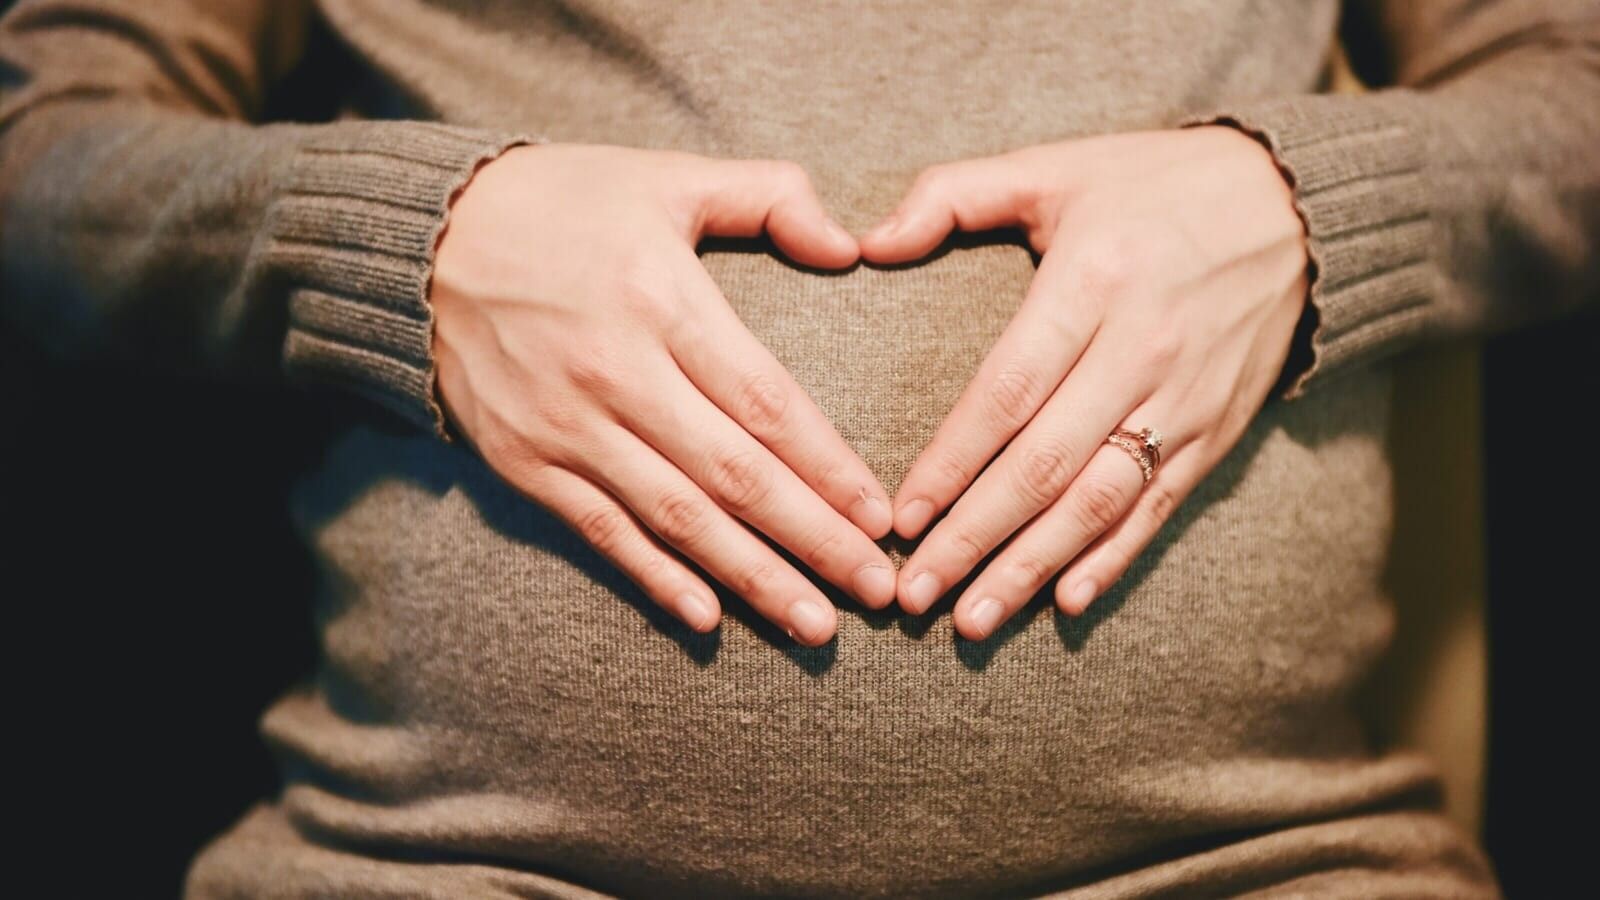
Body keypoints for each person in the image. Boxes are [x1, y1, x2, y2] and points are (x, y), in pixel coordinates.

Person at [1, 0, 1594, 895]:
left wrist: (1313, 206)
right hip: (436, 870)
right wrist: (399, 241)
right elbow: (42, 149)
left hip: (1259, 868)